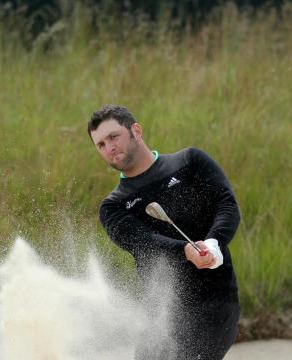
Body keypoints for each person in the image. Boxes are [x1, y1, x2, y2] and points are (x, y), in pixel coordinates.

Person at [87, 104, 241, 360]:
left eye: (114, 136)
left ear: (136, 130)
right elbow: (143, 242)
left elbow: (227, 204)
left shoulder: (190, 162)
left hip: (215, 307)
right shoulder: (113, 206)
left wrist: (214, 243)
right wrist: (185, 250)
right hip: (161, 319)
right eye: (101, 144)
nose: (109, 148)